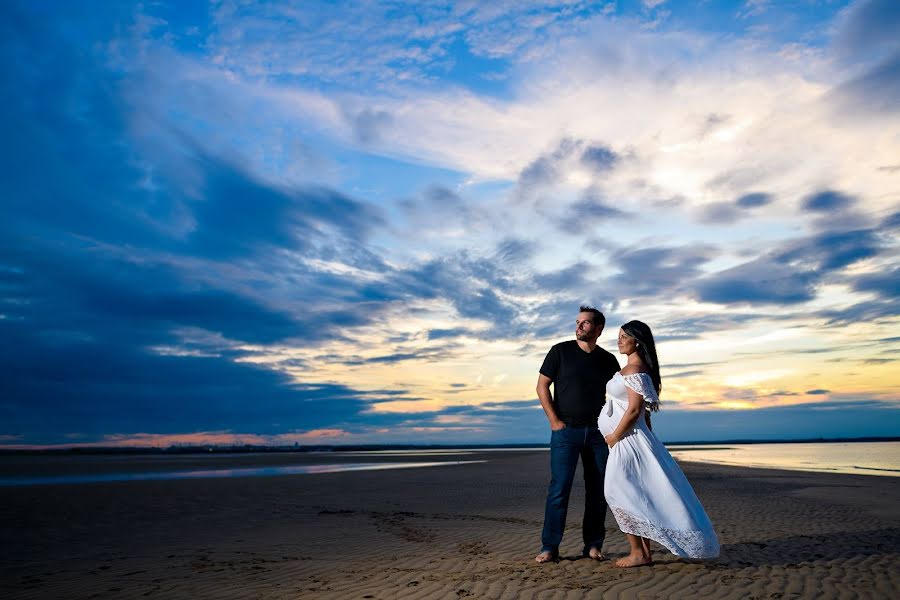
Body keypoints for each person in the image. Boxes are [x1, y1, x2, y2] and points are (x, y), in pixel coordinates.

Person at [599, 320, 719, 567]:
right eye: (619, 336)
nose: (619, 341)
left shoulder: (635, 372)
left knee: (617, 491)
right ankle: (642, 552)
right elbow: (643, 414)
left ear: (638, 341)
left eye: (624, 337)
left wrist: (614, 436)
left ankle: (639, 553)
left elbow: (634, 411)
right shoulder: (630, 370)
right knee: (633, 492)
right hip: (628, 441)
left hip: (627, 441)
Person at [535, 306, 621, 563]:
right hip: (566, 432)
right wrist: (554, 421)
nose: (580, 326)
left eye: (585, 323)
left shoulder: (608, 360)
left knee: (598, 491)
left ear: (598, 328)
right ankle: (549, 547)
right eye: (578, 322)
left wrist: (615, 428)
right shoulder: (560, 351)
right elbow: (541, 386)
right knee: (559, 489)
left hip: (598, 434)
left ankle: (593, 545)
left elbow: (618, 396)